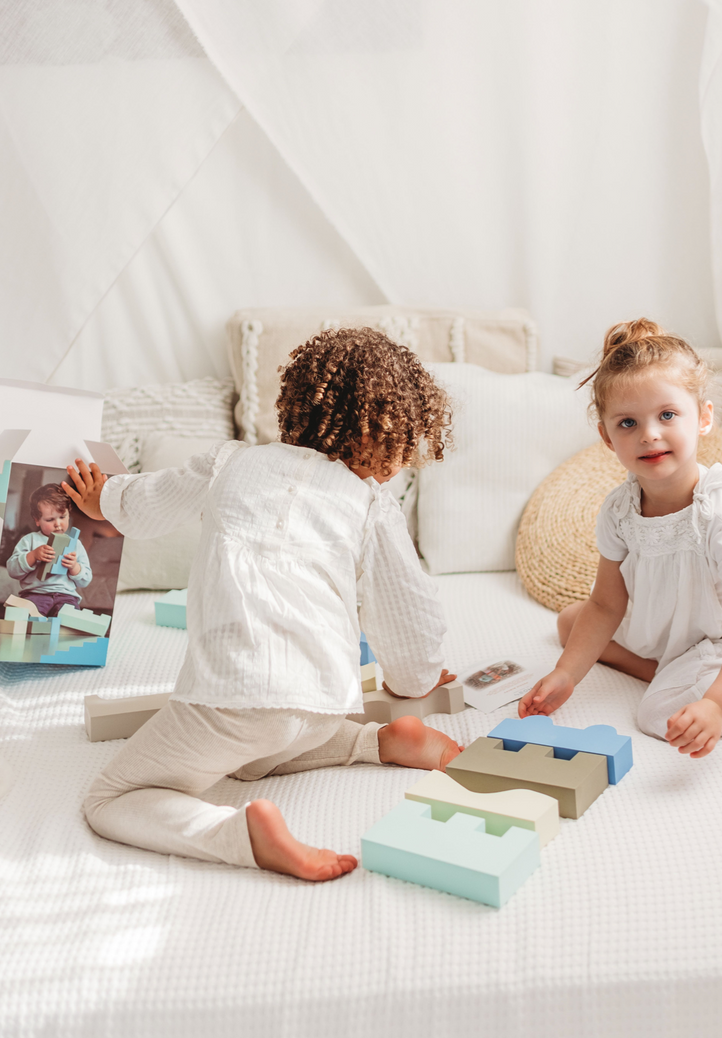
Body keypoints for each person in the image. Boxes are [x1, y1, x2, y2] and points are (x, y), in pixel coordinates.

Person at [63, 327, 461, 880]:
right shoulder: (371, 505)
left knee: (113, 797)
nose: (399, 462)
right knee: (253, 759)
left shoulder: (229, 462)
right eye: (399, 442)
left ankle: (239, 835)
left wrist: (104, 496)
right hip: (325, 706)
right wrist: (416, 680)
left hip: (233, 702)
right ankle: (378, 742)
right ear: (385, 435)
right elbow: (409, 613)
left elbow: (148, 504)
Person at [519, 318, 722, 758]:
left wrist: (716, 706)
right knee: (570, 623)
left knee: (659, 713)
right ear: (607, 437)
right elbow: (605, 605)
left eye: (667, 415)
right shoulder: (619, 510)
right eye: (627, 423)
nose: (649, 434)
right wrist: (566, 674)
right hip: (672, 618)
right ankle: (669, 669)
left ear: (704, 418)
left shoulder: (721, 515)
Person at [5, 484, 92, 616]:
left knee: (70, 620)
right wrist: (32, 556)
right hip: (35, 595)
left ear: (69, 515)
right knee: (25, 617)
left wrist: (74, 567)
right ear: (37, 520)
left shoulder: (76, 544)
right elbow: (12, 570)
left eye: (62, 517)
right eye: (50, 519)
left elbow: (85, 580)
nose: (58, 524)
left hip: (66, 597)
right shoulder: (30, 539)